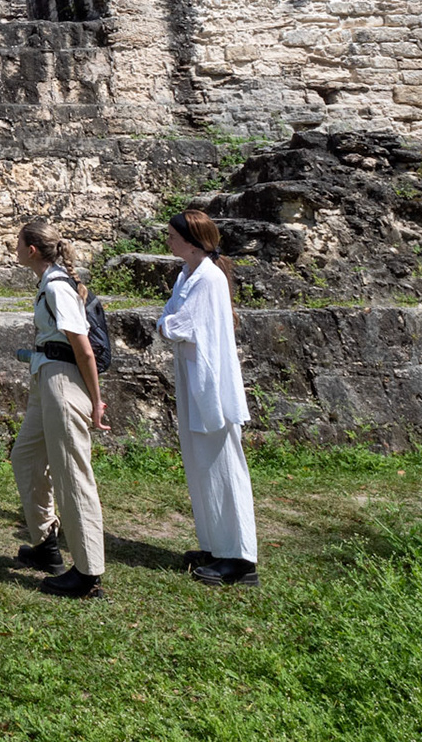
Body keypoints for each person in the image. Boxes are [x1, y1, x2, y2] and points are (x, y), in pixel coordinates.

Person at [10, 218, 108, 599]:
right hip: (47, 377)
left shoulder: (56, 287)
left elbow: (83, 349)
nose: (15, 248)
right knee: (26, 456)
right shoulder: (48, 283)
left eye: (19, 242)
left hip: (62, 382)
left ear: (32, 249)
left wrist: (96, 401)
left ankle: (88, 573)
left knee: (72, 474)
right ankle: (46, 543)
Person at [161, 209, 259, 587]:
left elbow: (179, 324)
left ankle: (240, 558)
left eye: (173, 236)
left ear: (191, 241)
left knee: (223, 464)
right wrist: (168, 323)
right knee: (202, 464)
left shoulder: (209, 279)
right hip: (192, 375)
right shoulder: (187, 274)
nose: (168, 241)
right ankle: (217, 546)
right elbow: (174, 318)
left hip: (210, 380)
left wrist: (165, 324)